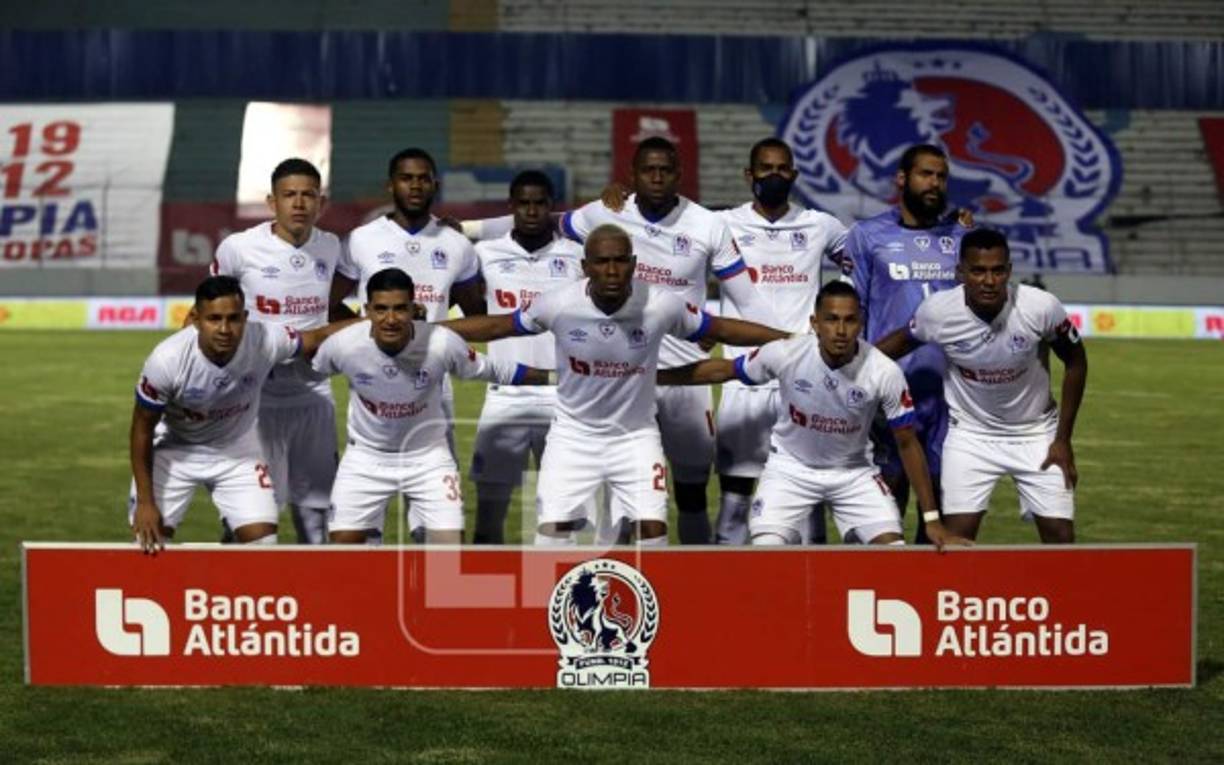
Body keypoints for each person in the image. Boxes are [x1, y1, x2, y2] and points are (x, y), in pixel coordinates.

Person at [444, 225, 788, 546]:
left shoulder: (660, 303)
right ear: (585, 266)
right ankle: (553, 606)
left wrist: (790, 340)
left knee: (652, 531)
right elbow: (496, 327)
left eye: (621, 261)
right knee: (552, 532)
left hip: (636, 437)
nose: (612, 270)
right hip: (572, 438)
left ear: (634, 264)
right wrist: (433, 329)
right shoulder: (559, 304)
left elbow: (722, 329)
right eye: (602, 261)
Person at [557, 137, 776, 544]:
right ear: (632, 175)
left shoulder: (708, 225)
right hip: (623, 377)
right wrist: (468, 228)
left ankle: (691, 584)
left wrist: (790, 341)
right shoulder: (607, 211)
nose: (657, 177)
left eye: (666, 170)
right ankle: (615, 579)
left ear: (679, 174)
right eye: (648, 170)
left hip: (687, 378)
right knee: (621, 496)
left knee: (692, 492)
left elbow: (747, 299)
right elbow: (544, 223)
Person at [658, 281, 965, 549]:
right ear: (815, 323)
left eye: (849, 320)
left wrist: (931, 520)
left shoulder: (884, 371)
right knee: (766, 552)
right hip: (790, 470)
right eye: (831, 320)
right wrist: (655, 377)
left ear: (861, 323)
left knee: (891, 552)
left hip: (854, 474)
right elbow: (723, 370)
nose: (841, 330)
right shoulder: (786, 353)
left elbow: (908, 443)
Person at [875, 229, 1086, 543]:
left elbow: (1076, 362)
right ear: (961, 273)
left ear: (1009, 272)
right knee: (957, 540)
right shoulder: (939, 312)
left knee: (1060, 538)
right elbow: (901, 342)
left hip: (1036, 433)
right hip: (971, 436)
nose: (989, 280)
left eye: (997, 271)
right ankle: (956, 595)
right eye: (978, 271)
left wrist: (1063, 439)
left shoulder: (1040, 307)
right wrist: (851, 366)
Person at [313, 268, 549, 545]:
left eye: (400, 309)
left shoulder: (442, 342)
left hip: (428, 459)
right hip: (365, 459)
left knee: (448, 553)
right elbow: (307, 372)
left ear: (414, 308)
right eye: (381, 309)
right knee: (341, 551)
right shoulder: (343, 345)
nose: (390, 319)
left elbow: (494, 369)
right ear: (367, 310)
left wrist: (554, 377)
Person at [129, 276, 355, 554]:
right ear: (196, 319)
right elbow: (141, 429)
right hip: (175, 451)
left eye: (234, 319)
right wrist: (145, 502)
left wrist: (370, 322)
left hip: (236, 452)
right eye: (214, 319)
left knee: (263, 547)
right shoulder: (167, 361)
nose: (225, 329)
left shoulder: (263, 339)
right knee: (148, 545)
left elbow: (317, 337)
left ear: (246, 318)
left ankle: (231, 593)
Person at [712, 137, 849, 545]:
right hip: (744, 381)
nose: (774, 176)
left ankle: (813, 587)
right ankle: (730, 581)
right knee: (736, 495)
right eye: (765, 168)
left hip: (804, 380)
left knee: (808, 492)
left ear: (794, 174)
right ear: (748, 175)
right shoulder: (723, 224)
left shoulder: (820, 225)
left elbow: (865, 261)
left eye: (782, 168)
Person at [209, 157, 344, 544]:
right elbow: (204, 313)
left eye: (308, 195)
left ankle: (314, 600)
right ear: (272, 202)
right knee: (248, 520)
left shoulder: (333, 248)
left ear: (322, 202)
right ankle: (236, 600)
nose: (299, 204)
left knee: (316, 519)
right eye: (290, 195)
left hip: (313, 397)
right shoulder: (238, 248)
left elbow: (338, 310)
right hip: (253, 401)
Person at [843, 143, 969, 543]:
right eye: (925, 174)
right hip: (888, 390)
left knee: (941, 508)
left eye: (941, 176)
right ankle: (881, 593)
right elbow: (853, 310)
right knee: (886, 509)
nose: (934, 183)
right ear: (902, 179)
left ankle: (931, 598)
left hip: (950, 396)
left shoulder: (961, 235)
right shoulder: (866, 236)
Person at [469, 170, 584, 543]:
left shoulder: (578, 257)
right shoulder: (485, 254)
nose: (532, 211)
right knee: (489, 514)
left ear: (551, 207)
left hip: (564, 399)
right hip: (504, 397)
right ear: (511, 206)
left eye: (540, 203)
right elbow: (471, 312)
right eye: (524, 203)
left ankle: (553, 595)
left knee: (560, 517)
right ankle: (486, 599)